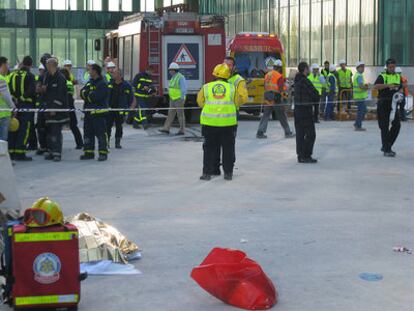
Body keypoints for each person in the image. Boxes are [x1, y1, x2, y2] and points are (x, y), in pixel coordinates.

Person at [197, 64, 243, 181]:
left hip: (209, 124)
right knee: (228, 149)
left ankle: (208, 172)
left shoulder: (206, 87)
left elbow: (200, 101)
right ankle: (228, 173)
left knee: (209, 149)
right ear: (227, 76)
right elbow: (238, 102)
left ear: (214, 74)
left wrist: (210, 109)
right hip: (227, 124)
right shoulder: (232, 88)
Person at [8, 56, 36, 161]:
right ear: (30, 65)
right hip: (26, 106)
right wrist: (21, 98)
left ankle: (11, 151)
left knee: (14, 127)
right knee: (25, 129)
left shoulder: (12, 75)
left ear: (22, 64)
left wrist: (15, 101)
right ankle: (20, 152)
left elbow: (9, 89)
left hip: (14, 106)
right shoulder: (30, 76)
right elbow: (32, 90)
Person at [256, 59, 294, 139]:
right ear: (279, 68)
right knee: (282, 116)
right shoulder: (279, 76)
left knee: (266, 115)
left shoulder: (267, 74)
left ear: (274, 67)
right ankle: (287, 132)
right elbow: (280, 89)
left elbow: (265, 86)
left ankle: (260, 132)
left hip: (268, 97)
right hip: (276, 98)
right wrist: (286, 93)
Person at [80, 63, 109, 161]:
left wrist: (87, 96)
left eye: (90, 70)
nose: (89, 72)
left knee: (101, 134)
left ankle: (103, 153)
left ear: (95, 71)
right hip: (88, 114)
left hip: (99, 114)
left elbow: (95, 97)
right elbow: (82, 93)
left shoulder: (102, 83)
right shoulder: (89, 82)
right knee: (88, 134)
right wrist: (87, 95)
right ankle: (88, 153)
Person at [373, 58, 402, 157]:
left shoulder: (398, 76)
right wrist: (387, 85)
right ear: (387, 67)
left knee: (397, 125)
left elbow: (400, 88)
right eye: (390, 67)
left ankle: (387, 145)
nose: (392, 68)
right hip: (383, 104)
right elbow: (376, 86)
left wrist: (400, 95)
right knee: (384, 127)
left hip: (393, 105)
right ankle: (387, 149)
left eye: (393, 66)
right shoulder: (382, 76)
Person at [293, 62, 320, 163]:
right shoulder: (305, 81)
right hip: (306, 111)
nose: (309, 70)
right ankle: (306, 155)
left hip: (297, 110)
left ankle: (300, 155)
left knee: (300, 134)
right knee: (311, 134)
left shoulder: (296, 81)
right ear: (305, 69)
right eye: (308, 68)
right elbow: (315, 94)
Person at [43, 58, 69, 162]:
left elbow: (61, 96)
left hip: (57, 111)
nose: (46, 67)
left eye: (47, 65)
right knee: (49, 132)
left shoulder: (60, 78)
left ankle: (57, 153)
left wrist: (54, 108)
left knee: (56, 133)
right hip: (48, 110)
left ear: (52, 65)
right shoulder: (48, 77)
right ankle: (51, 151)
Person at [107, 68, 133, 148]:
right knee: (108, 126)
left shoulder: (126, 85)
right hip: (110, 109)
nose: (113, 74)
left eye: (115, 73)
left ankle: (117, 143)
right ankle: (106, 142)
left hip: (120, 110)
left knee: (119, 126)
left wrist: (126, 107)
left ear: (120, 75)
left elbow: (130, 98)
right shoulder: (109, 84)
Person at [159, 62, 187, 135]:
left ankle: (182, 130)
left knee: (180, 115)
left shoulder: (180, 77)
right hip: (173, 98)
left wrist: (182, 98)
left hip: (179, 99)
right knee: (170, 114)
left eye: (170, 70)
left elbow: (183, 89)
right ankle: (166, 128)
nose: (169, 71)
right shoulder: (173, 77)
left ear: (174, 70)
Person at [60, 68, 83, 149]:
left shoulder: (67, 83)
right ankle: (79, 143)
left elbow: (67, 95)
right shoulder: (68, 82)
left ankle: (80, 143)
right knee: (73, 126)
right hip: (69, 106)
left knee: (72, 126)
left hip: (67, 106)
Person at [35, 54, 52, 155]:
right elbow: (38, 89)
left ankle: (51, 146)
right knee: (40, 126)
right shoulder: (42, 76)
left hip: (51, 104)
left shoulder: (55, 74)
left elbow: (48, 89)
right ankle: (43, 146)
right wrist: (41, 88)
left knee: (51, 126)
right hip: (42, 104)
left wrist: (43, 88)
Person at [132, 66, 155, 130]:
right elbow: (134, 84)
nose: (152, 73)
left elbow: (149, 88)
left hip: (145, 97)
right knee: (142, 110)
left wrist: (152, 92)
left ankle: (135, 123)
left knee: (140, 110)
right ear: (147, 70)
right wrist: (142, 86)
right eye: (151, 71)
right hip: (139, 95)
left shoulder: (149, 78)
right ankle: (145, 124)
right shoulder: (139, 75)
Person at [0, 56, 15, 141]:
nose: (8, 67)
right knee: (3, 140)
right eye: (7, 64)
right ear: (3, 65)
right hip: (3, 114)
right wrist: (13, 107)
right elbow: (5, 96)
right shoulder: (1, 79)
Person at [353, 61, 369, 131]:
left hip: (359, 96)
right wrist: (367, 87)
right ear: (358, 68)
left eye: (363, 67)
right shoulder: (359, 76)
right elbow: (361, 86)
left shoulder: (358, 75)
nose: (363, 69)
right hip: (359, 97)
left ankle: (357, 123)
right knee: (361, 111)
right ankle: (358, 126)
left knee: (363, 110)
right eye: (361, 67)